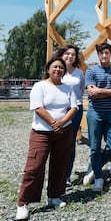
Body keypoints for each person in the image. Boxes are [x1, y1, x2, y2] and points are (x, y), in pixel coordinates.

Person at [15, 57, 78, 220]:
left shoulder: (68, 87)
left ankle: (54, 196)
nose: (58, 70)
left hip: (64, 131)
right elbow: (38, 107)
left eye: (61, 67)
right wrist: (53, 122)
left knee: (60, 164)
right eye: (55, 67)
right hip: (41, 132)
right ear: (48, 69)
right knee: (34, 167)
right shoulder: (40, 86)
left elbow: (74, 107)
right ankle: (23, 203)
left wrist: (62, 122)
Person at [83, 43, 111, 191]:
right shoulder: (91, 71)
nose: (104, 56)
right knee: (94, 147)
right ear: (98, 55)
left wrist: (100, 90)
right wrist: (109, 91)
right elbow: (91, 92)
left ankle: (95, 166)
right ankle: (99, 178)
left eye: (106, 53)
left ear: (110, 54)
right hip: (95, 112)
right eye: (101, 53)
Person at [55, 45, 85, 187]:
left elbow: (80, 90)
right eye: (67, 54)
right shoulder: (57, 70)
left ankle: (66, 175)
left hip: (76, 110)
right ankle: (55, 175)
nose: (70, 56)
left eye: (73, 54)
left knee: (70, 143)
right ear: (62, 55)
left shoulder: (79, 73)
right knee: (56, 141)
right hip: (59, 109)